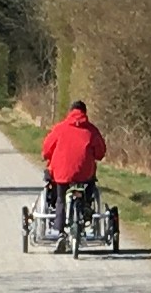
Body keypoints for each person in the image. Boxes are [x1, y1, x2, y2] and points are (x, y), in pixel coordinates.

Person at [40, 100, 107, 248]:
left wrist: (46, 156)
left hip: (61, 174)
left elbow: (46, 149)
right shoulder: (91, 130)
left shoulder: (60, 128)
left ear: (70, 112)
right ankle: (87, 209)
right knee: (89, 187)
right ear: (85, 113)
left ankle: (60, 231)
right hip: (85, 174)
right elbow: (101, 152)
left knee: (60, 201)